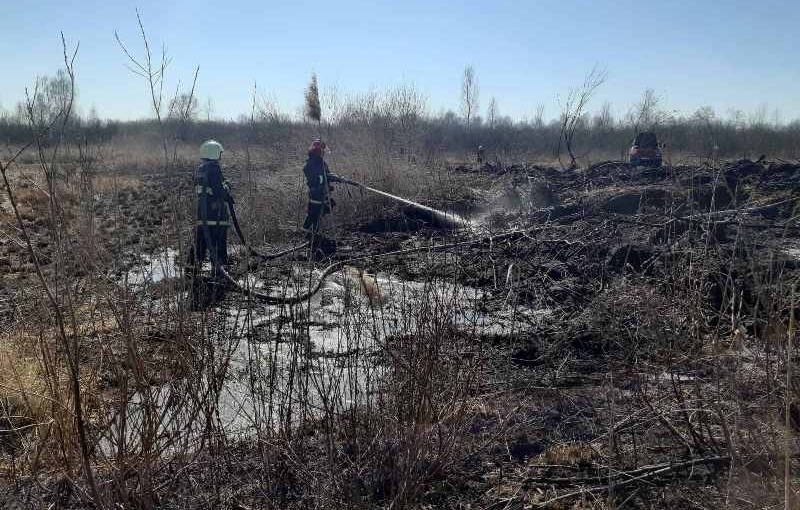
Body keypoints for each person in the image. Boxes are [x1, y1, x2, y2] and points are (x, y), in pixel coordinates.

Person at [193, 139, 233, 272]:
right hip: (216, 215)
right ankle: (220, 271)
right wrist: (227, 190)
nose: (220, 157)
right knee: (218, 243)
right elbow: (218, 190)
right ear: (214, 153)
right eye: (219, 154)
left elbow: (205, 188)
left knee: (200, 243)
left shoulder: (200, 169)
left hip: (202, 214)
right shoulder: (214, 168)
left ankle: (193, 269)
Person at [301, 139, 342, 238]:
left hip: (321, 192)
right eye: (323, 151)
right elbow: (317, 178)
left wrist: (338, 178)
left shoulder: (319, 161)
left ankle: (312, 235)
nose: (324, 153)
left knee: (319, 213)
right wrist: (325, 179)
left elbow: (326, 174)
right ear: (319, 151)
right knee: (314, 215)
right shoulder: (314, 162)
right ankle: (310, 237)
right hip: (317, 193)